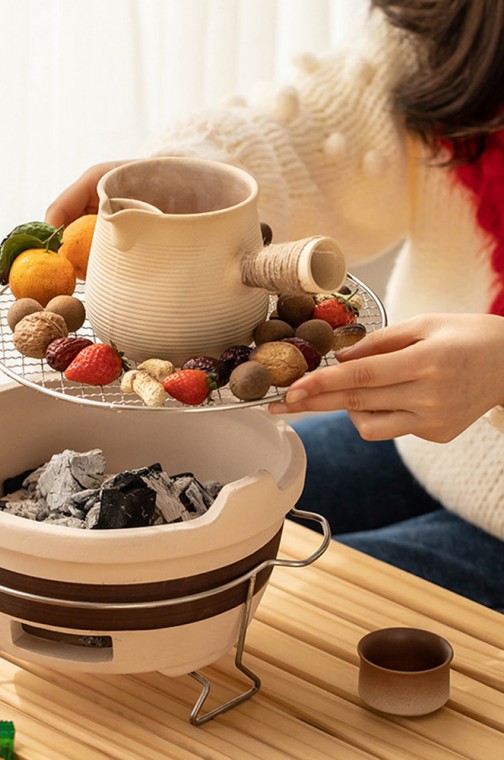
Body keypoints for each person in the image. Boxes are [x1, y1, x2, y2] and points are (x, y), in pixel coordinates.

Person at [45, 0, 504, 612]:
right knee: (162, 530)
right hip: (426, 444)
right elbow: (316, 135)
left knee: (260, 606)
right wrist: (195, 182)